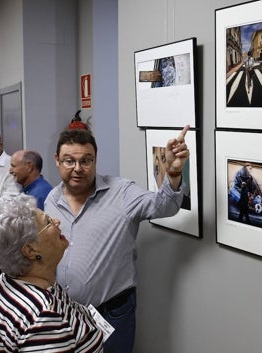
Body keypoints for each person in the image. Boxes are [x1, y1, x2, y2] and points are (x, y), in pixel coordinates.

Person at [44, 126, 190, 353]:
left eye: (86, 161)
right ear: (57, 160)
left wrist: (172, 173)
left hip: (110, 312)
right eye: (69, 161)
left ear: (95, 160)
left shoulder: (122, 193)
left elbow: (165, 207)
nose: (78, 169)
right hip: (64, 310)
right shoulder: (52, 199)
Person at [0, 194, 103, 352]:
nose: (57, 222)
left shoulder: (6, 281)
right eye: (48, 222)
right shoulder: (42, 318)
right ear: (30, 250)